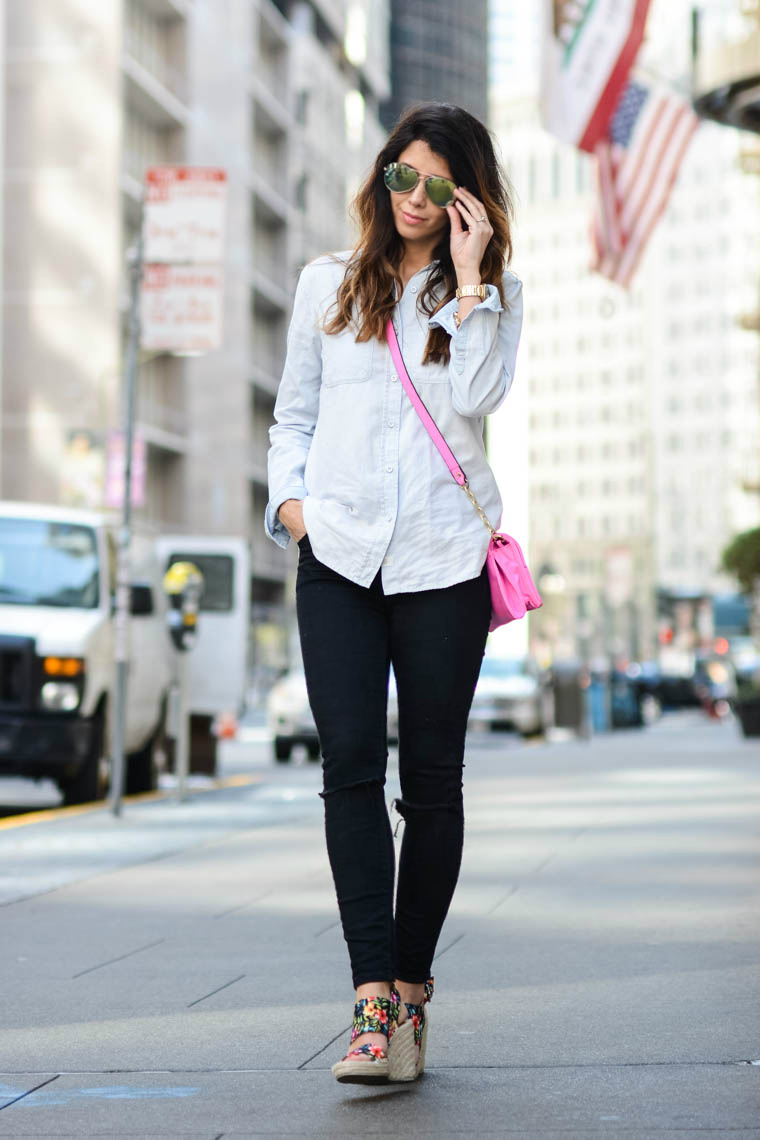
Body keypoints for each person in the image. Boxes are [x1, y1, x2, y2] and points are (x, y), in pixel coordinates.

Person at [265, 102, 523, 1084]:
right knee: (348, 769)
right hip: (336, 558)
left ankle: (412, 987)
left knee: (433, 786)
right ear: (381, 178)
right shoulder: (324, 286)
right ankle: (371, 1003)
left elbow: (479, 398)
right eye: (399, 177)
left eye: (435, 185)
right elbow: (291, 416)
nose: (412, 199)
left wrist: (467, 283)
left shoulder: (490, 295)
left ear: (466, 199)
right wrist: (293, 511)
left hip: (442, 564)